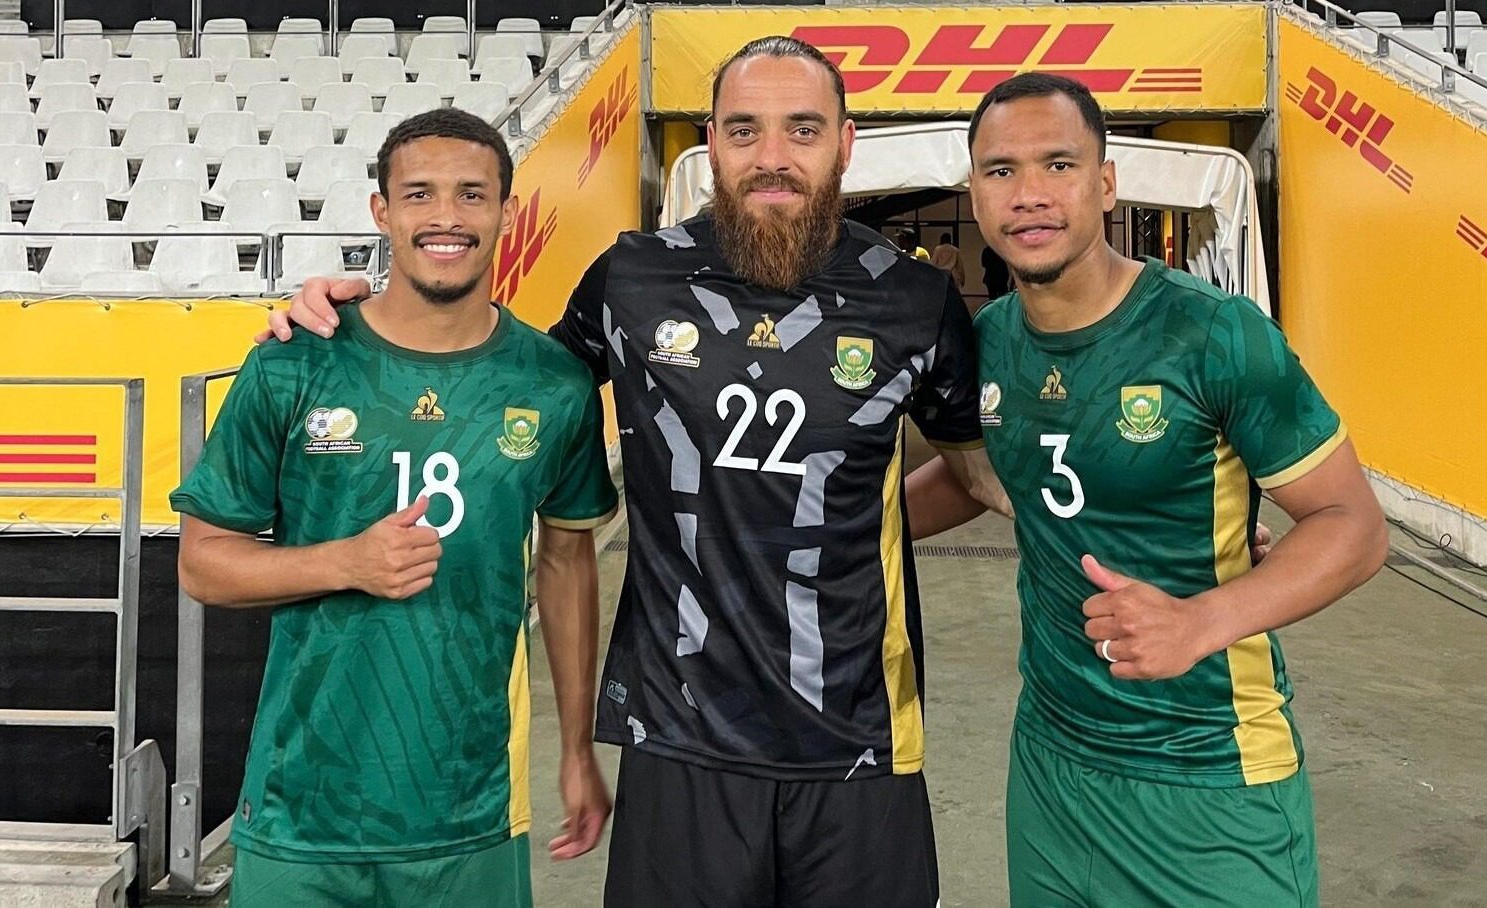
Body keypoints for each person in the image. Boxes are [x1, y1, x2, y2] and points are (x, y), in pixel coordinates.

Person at [261, 36, 1010, 908]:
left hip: (859, 743)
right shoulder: (633, 278)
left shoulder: (914, 299)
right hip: (678, 738)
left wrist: (836, 519)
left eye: (802, 130)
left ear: (845, 144)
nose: (772, 157)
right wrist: (363, 314)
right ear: (711, 144)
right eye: (744, 130)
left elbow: (977, 474)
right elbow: (505, 381)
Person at [907, 73, 1388, 907]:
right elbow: (983, 473)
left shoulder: (1213, 333)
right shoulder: (990, 341)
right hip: (1052, 768)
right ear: (974, 194)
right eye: (1001, 171)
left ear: (1105, 183)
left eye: (1059, 165)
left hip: (1209, 773)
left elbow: (1354, 525)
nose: (1030, 194)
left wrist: (1202, 620)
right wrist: (828, 519)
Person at [175, 109, 618, 908]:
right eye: (419, 194)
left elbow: (566, 560)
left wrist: (579, 747)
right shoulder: (294, 361)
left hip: (471, 812)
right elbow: (203, 564)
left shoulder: (555, 385)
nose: (446, 216)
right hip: (300, 812)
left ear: (507, 211)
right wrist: (346, 561)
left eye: (472, 194)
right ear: (382, 211)